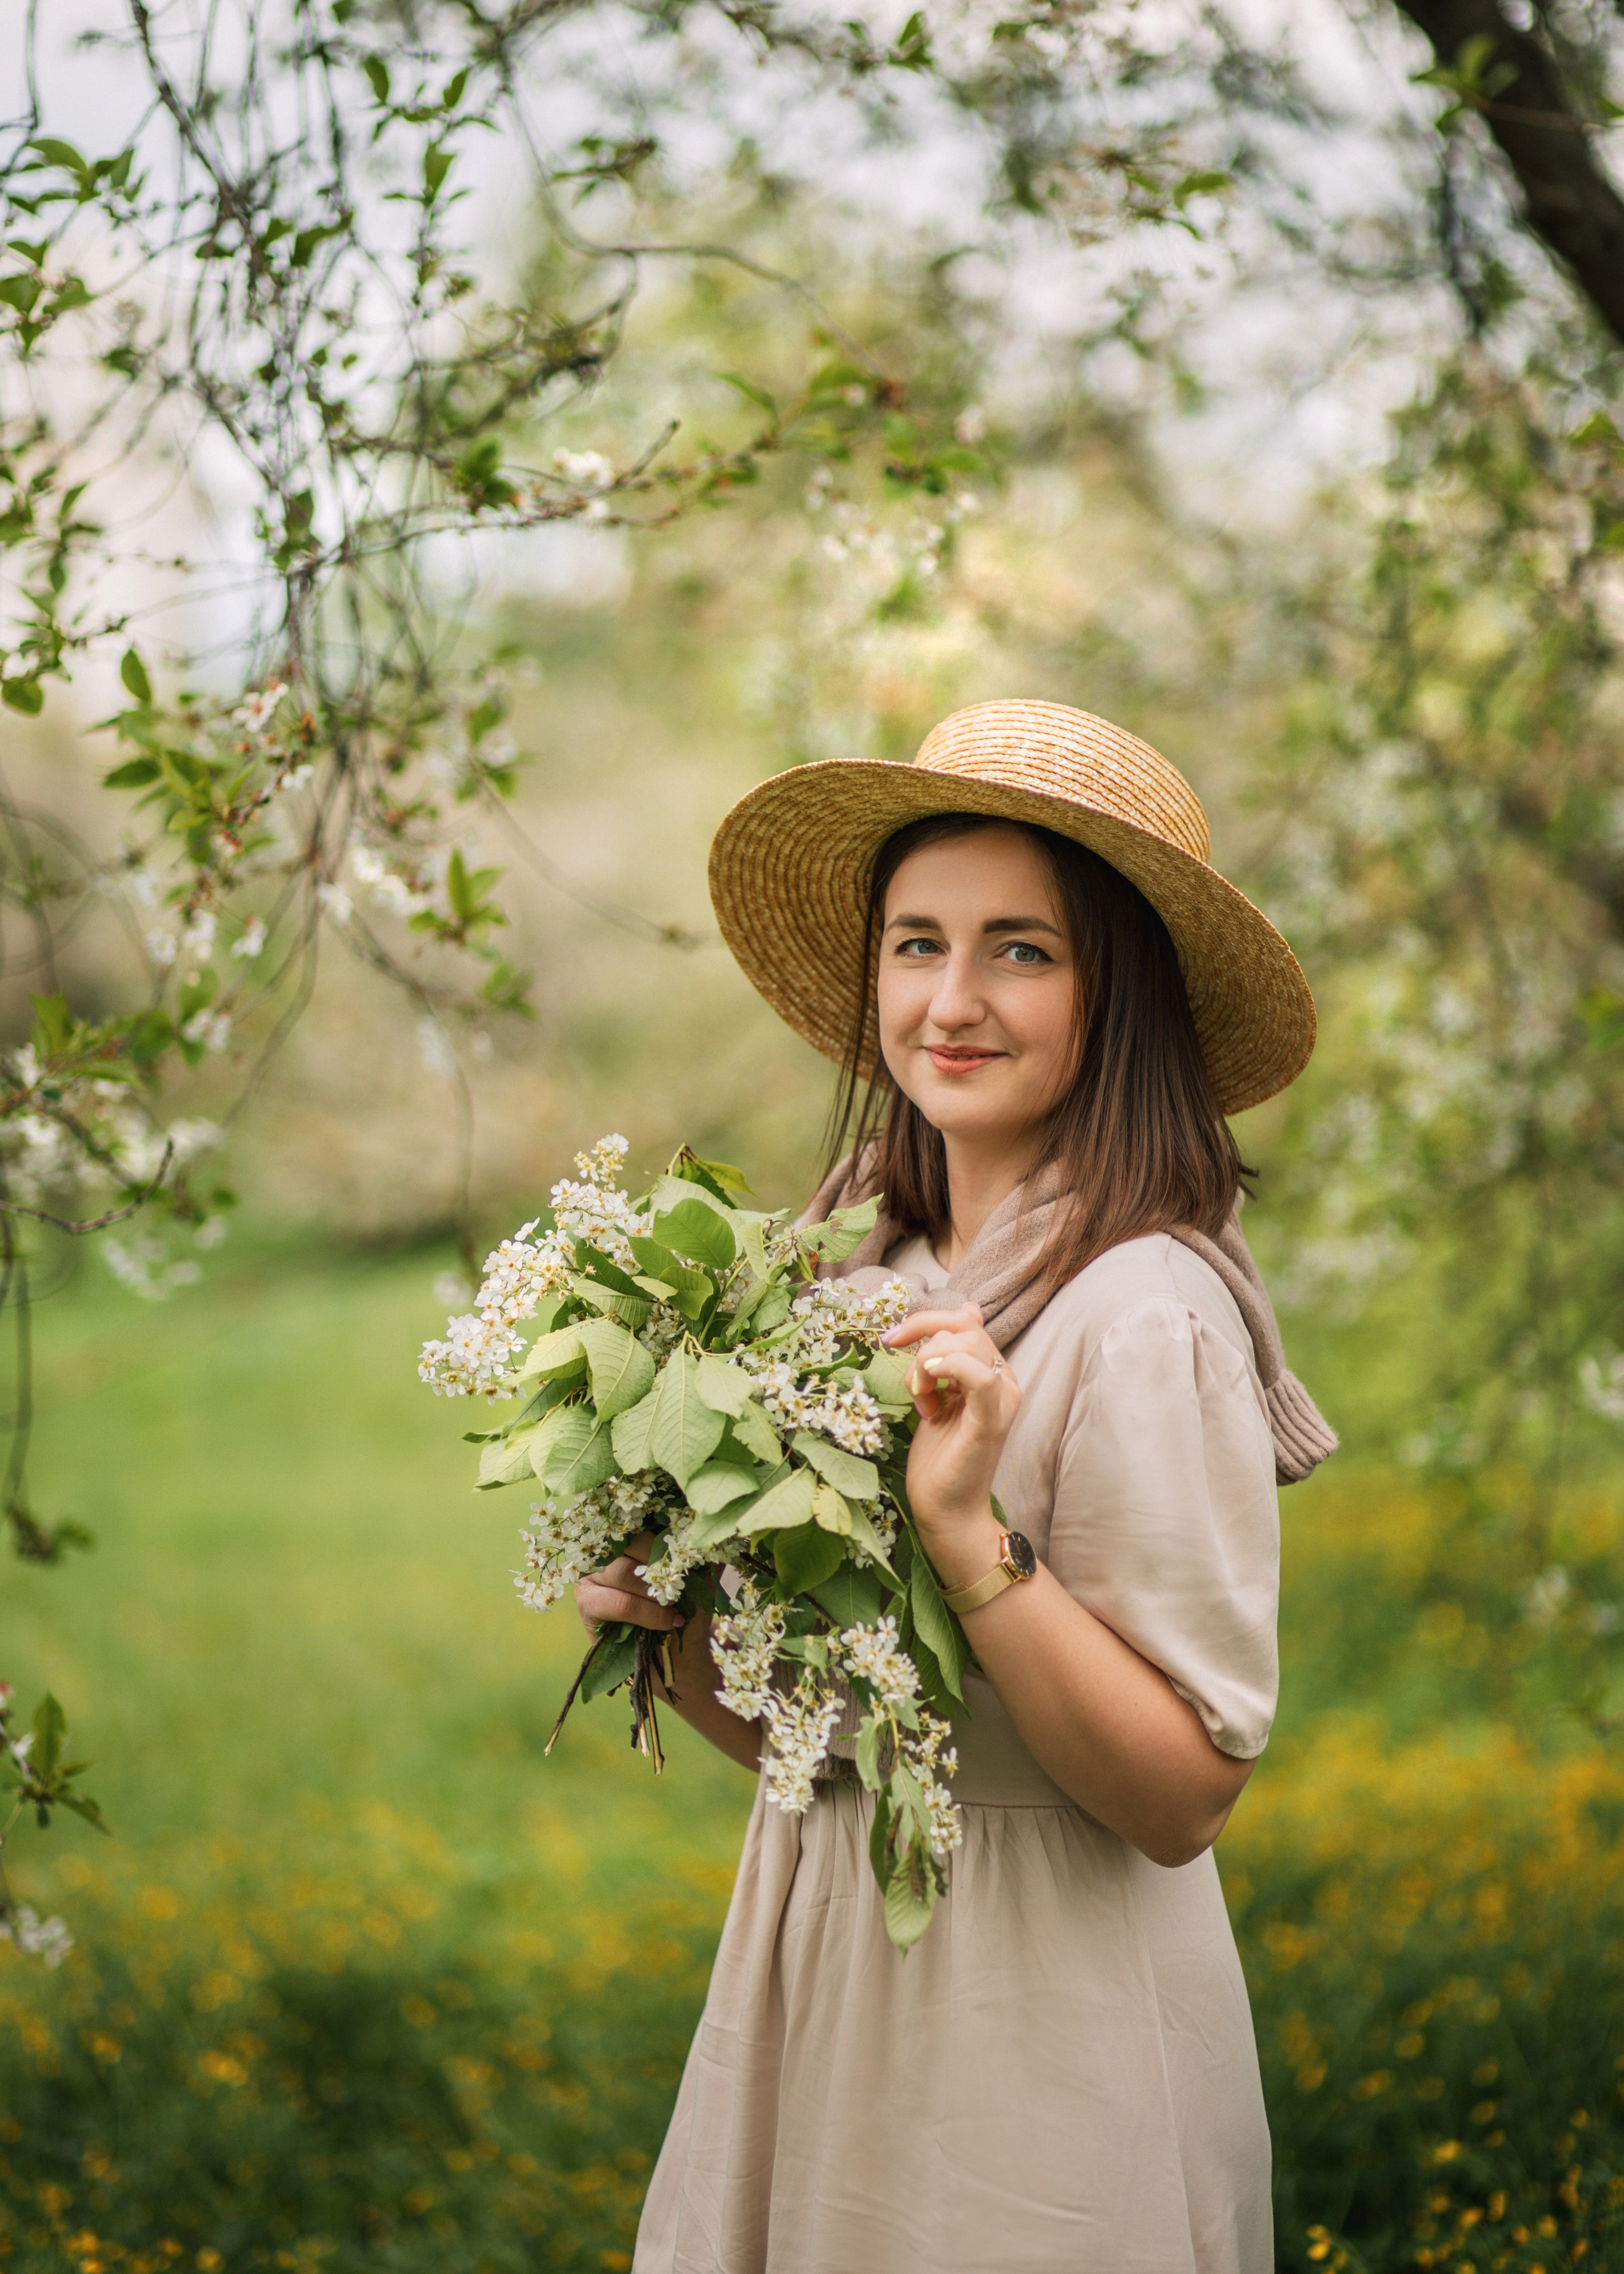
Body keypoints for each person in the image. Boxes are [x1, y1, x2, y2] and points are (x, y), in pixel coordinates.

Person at [575, 700, 1334, 2274]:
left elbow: (1180, 1795)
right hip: (826, 1973)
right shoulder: (859, 1272)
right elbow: (840, 1749)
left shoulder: (1143, 1316)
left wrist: (964, 1531)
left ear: (1113, 996)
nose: (952, 1000)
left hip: (1044, 2037)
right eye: (917, 943)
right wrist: (662, 1623)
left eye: (1022, 951)